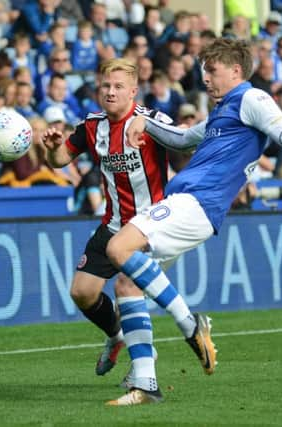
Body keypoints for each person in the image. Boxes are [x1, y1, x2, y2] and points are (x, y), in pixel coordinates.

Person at [104, 38, 282, 405]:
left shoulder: (252, 99)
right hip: (190, 205)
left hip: (196, 203)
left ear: (236, 71)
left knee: (117, 246)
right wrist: (142, 123)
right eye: (204, 72)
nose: (205, 79)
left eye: (212, 71)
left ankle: (190, 324)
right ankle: (145, 384)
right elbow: (182, 139)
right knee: (127, 286)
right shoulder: (223, 112)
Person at [40, 58, 174, 399]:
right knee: (81, 293)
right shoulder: (91, 126)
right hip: (113, 223)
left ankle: (145, 375)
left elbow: (186, 146)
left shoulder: (154, 122)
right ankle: (117, 336)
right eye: (105, 86)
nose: (110, 92)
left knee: (127, 285)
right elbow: (59, 161)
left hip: (148, 228)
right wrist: (53, 147)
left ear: (133, 91)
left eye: (117, 87)